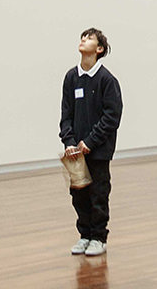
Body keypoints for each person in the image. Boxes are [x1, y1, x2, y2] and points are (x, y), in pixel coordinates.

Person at [59, 28, 121, 259]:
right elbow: (66, 113)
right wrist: (69, 141)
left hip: (98, 151)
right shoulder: (71, 77)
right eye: (82, 37)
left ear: (99, 49)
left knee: (98, 194)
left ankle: (98, 237)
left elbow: (112, 116)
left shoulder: (107, 80)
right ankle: (84, 235)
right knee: (79, 195)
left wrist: (91, 141)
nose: (83, 40)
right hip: (76, 152)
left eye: (90, 38)